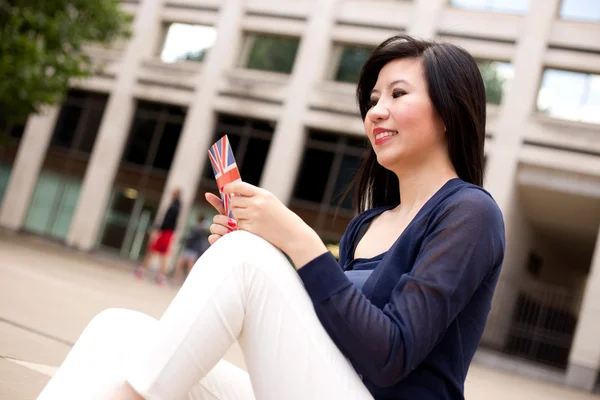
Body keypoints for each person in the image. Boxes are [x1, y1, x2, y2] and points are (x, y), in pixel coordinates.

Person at [36, 34, 505, 400]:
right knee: (119, 330)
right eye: (373, 99)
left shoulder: (470, 213)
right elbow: (327, 333)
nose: (376, 112)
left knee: (244, 260)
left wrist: (296, 241)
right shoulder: (369, 224)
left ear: (447, 112)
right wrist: (264, 253)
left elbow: (389, 356)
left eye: (397, 94)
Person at [134, 188, 181, 286]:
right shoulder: (175, 206)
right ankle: (150, 273)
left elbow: (167, 221)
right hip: (167, 232)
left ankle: (156, 275)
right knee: (157, 253)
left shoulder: (174, 206)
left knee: (157, 253)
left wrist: (157, 229)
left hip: (166, 233)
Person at [172, 213, 210, 285]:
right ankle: (185, 282)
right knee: (188, 267)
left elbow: (191, 237)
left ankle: (177, 280)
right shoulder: (202, 229)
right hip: (194, 250)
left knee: (182, 265)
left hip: (191, 249)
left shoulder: (198, 228)